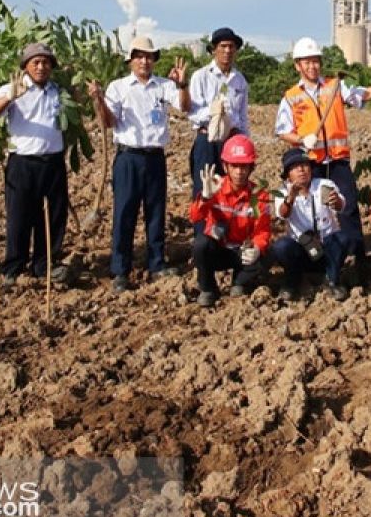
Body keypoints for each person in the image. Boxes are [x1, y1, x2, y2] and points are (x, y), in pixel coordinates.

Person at [275, 37, 371, 260]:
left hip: (338, 161)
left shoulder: (334, 85)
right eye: (307, 62)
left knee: (347, 208)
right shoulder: (291, 96)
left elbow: (361, 95)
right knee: (315, 210)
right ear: (297, 65)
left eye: (316, 61)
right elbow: (282, 130)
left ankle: (356, 257)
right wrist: (302, 139)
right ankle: (320, 259)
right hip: (311, 163)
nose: (312, 67)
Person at [88, 36, 189, 292]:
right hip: (128, 158)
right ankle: (120, 269)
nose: (144, 61)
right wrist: (98, 99)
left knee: (156, 212)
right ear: (130, 60)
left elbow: (185, 107)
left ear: (154, 60)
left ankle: (156, 264)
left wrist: (182, 84)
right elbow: (109, 122)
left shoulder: (164, 86)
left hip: (155, 157)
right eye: (139, 56)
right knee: (124, 213)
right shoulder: (119, 87)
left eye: (148, 56)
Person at [0, 42, 71, 288]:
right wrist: (10, 96)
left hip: (52, 162)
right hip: (22, 163)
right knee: (19, 216)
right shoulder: (13, 88)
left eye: (46, 62)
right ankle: (14, 267)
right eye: (36, 62)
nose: (41, 67)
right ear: (26, 67)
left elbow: (75, 108)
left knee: (53, 217)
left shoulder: (57, 92)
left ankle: (44, 265)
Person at [189, 135, 273, 308]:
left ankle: (239, 282)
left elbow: (262, 231)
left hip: (241, 252)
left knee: (266, 254)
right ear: (225, 166)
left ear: (251, 168)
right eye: (234, 166)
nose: (239, 172)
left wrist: (257, 248)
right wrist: (205, 197)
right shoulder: (215, 187)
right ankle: (208, 288)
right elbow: (195, 217)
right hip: (218, 249)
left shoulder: (259, 195)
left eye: (244, 166)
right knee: (200, 245)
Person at [188, 27, 250, 233]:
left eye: (231, 47)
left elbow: (242, 116)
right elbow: (193, 114)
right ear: (213, 50)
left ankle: (227, 237)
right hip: (207, 141)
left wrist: (244, 143)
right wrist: (212, 112)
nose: (227, 51)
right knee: (204, 188)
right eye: (223, 46)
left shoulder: (239, 80)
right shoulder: (201, 76)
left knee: (230, 189)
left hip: (231, 143)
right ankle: (201, 237)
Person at [271, 148, 352, 302]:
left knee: (342, 238)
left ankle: (332, 279)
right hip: (301, 250)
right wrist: (291, 198)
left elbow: (341, 205)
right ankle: (292, 281)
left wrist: (336, 201)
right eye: (295, 167)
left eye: (304, 165)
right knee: (281, 246)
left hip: (326, 248)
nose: (301, 170)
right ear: (288, 174)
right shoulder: (282, 192)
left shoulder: (324, 185)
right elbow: (283, 214)